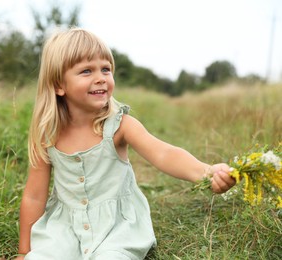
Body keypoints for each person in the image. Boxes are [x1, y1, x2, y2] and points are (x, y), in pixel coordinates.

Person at [15, 27, 235, 260]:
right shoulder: (48, 134)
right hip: (64, 227)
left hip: (117, 227)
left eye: (106, 69)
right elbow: (34, 196)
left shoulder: (120, 125)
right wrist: (24, 251)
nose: (100, 77)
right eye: (86, 71)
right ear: (59, 85)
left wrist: (206, 172)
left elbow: (163, 153)